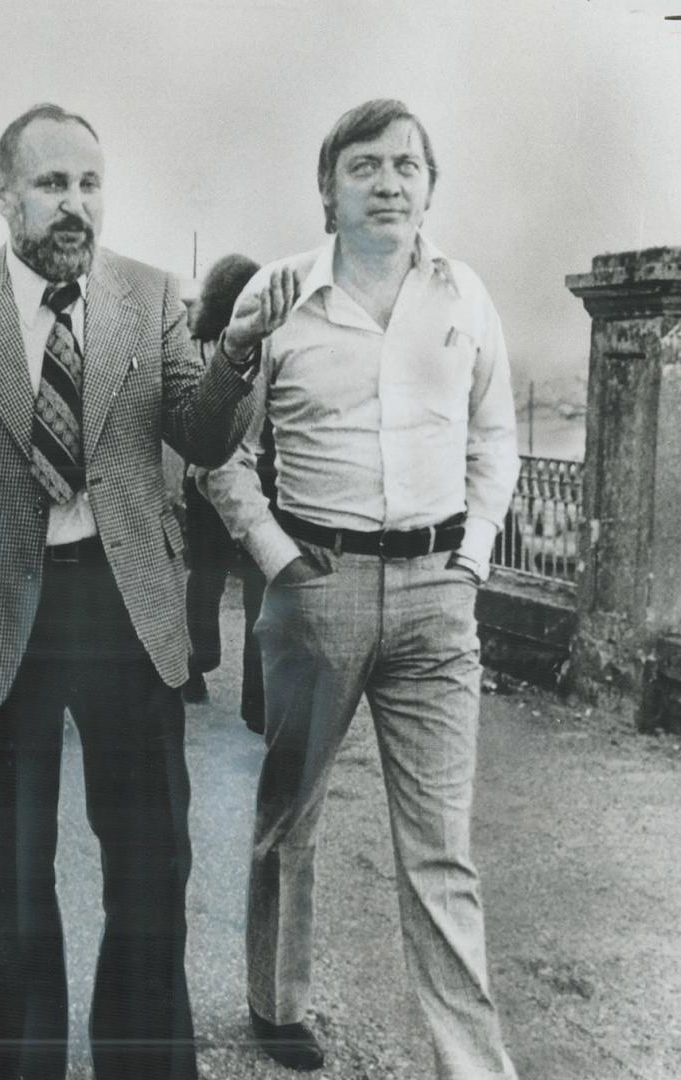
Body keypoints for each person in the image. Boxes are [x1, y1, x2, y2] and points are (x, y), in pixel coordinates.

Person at [0, 102, 258, 1080]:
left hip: (126, 611)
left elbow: (200, 435)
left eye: (89, 183)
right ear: (4, 194)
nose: (74, 203)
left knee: (151, 872)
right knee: (19, 879)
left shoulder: (147, 295)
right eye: (51, 183)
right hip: (1, 616)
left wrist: (239, 354)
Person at [199, 99, 521, 1076]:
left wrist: (470, 561)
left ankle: (473, 1065)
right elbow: (225, 455)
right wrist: (275, 557)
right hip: (319, 588)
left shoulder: (465, 295)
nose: (389, 183)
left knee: (441, 854)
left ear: (430, 185)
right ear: (329, 187)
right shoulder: (281, 296)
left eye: (407, 166)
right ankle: (277, 1000)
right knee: (291, 816)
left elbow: (496, 438)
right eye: (366, 167)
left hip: (436, 599)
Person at [181, 253, 271, 735]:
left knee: (212, 579)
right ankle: (240, 691)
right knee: (241, 585)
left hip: (219, 476)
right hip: (220, 473)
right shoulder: (224, 344)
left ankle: (201, 667)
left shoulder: (204, 343)